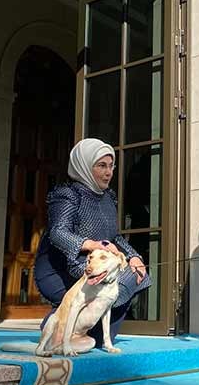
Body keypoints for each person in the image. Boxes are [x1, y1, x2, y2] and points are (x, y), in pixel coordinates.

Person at [35, 138, 150, 347]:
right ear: (85, 166)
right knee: (111, 278)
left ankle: (92, 335)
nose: (109, 172)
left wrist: (134, 257)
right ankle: (55, 321)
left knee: (135, 274)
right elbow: (58, 232)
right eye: (101, 166)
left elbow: (114, 237)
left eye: (111, 166)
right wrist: (92, 244)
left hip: (94, 261)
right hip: (60, 269)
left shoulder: (108, 198)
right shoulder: (67, 194)